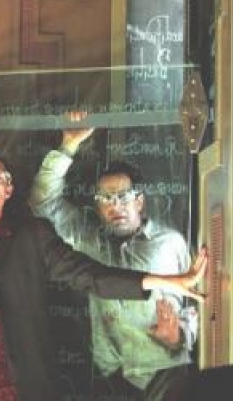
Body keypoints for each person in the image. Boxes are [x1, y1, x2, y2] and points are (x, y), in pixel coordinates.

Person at [0, 152, 206, 401]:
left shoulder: (31, 238)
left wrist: (163, 281)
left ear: (8, 190)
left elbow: (89, 275)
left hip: (19, 390)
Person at [28, 128, 198, 400]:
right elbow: (42, 204)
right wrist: (68, 146)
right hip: (110, 380)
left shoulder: (170, 244)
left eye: (123, 196)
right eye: (105, 198)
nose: (115, 205)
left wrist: (178, 337)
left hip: (165, 376)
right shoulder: (88, 241)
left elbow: (201, 306)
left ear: (139, 202)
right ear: (97, 207)